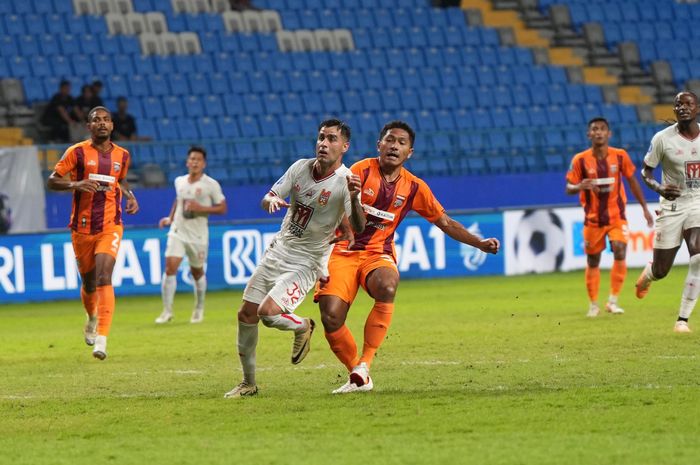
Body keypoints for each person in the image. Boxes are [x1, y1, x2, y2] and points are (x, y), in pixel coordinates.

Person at [315, 120, 500, 394]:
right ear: (379, 145)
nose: (394, 146)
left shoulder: (414, 187)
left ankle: (365, 363)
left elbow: (445, 222)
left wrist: (479, 243)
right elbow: (342, 211)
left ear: (409, 152)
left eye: (401, 143)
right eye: (390, 140)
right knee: (331, 317)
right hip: (343, 251)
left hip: (378, 253)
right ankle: (358, 373)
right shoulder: (360, 171)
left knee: (388, 285)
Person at [224, 119, 366, 399]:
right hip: (278, 250)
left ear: (345, 146)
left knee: (267, 312)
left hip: (307, 261)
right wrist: (271, 201)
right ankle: (248, 383)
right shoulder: (300, 167)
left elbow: (359, 227)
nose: (324, 143)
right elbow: (269, 196)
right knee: (246, 314)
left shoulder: (345, 181)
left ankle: (303, 326)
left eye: (332, 139)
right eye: (322, 137)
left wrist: (355, 197)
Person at [47, 106, 139, 360]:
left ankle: (102, 340)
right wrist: (76, 184)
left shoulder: (123, 154)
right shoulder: (76, 153)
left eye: (106, 120)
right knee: (88, 283)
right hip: (82, 229)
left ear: (112, 125)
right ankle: (91, 317)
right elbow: (52, 180)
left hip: (111, 225)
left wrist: (130, 196)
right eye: (96, 120)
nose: (102, 123)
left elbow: (120, 179)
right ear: (88, 126)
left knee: (103, 276)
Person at [566, 117, 653, 318]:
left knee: (620, 250)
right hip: (593, 220)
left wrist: (645, 208)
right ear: (589, 134)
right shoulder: (580, 160)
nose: (598, 132)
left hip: (617, 217)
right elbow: (569, 187)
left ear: (609, 133)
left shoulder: (620, 156)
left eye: (602, 129)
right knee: (593, 260)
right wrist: (580, 186)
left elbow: (632, 181)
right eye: (594, 129)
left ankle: (613, 301)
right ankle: (594, 305)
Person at [635, 91, 700, 333]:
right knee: (662, 271)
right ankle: (649, 274)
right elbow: (645, 172)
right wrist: (660, 188)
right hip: (672, 206)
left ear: (697, 108)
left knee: (698, 257)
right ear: (674, 110)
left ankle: (682, 320)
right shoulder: (662, 139)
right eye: (678, 105)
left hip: (698, 202)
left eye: (688, 104)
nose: (683, 108)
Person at [156, 146, 227, 324]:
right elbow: (178, 200)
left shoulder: (211, 184)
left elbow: (222, 208)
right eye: (192, 159)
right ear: (187, 162)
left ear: (203, 164)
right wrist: (170, 218)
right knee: (170, 268)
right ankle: (167, 311)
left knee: (197, 272)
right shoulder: (179, 181)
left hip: (198, 236)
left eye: (198, 159)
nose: (194, 162)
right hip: (178, 231)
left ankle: (199, 308)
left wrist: (201, 208)